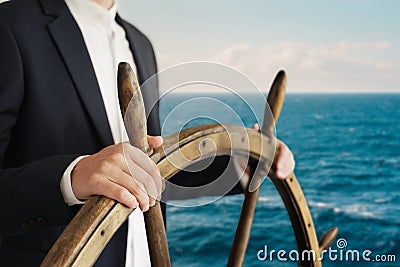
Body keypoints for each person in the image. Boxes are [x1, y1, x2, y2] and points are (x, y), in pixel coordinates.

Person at [0, 0, 295, 266]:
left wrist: (240, 166)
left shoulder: (140, 43)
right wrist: (72, 177)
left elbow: (152, 169)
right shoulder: (9, 26)